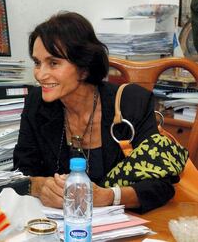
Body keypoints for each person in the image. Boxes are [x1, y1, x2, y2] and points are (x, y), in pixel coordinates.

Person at [13, 11, 186, 213]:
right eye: (37, 62)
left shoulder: (131, 102)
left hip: (125, 224)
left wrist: (109, 196)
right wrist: (40, 186)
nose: (40, 74)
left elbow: (160, 186)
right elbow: (21, 172)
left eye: (53, 63)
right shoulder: (36, 103)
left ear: (84, 68)